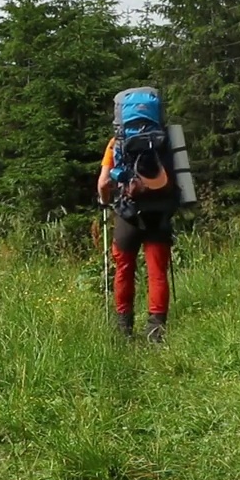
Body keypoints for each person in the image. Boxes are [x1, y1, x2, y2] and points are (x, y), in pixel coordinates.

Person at [97, 136, 172, 343]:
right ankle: (156, 332)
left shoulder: (116, 141)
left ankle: (124, 327)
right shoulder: (164, 137)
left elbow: (103, 182)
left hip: (128, 215)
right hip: (159, 213)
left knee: (124, 268)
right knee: (157, 272)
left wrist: (105, 202)